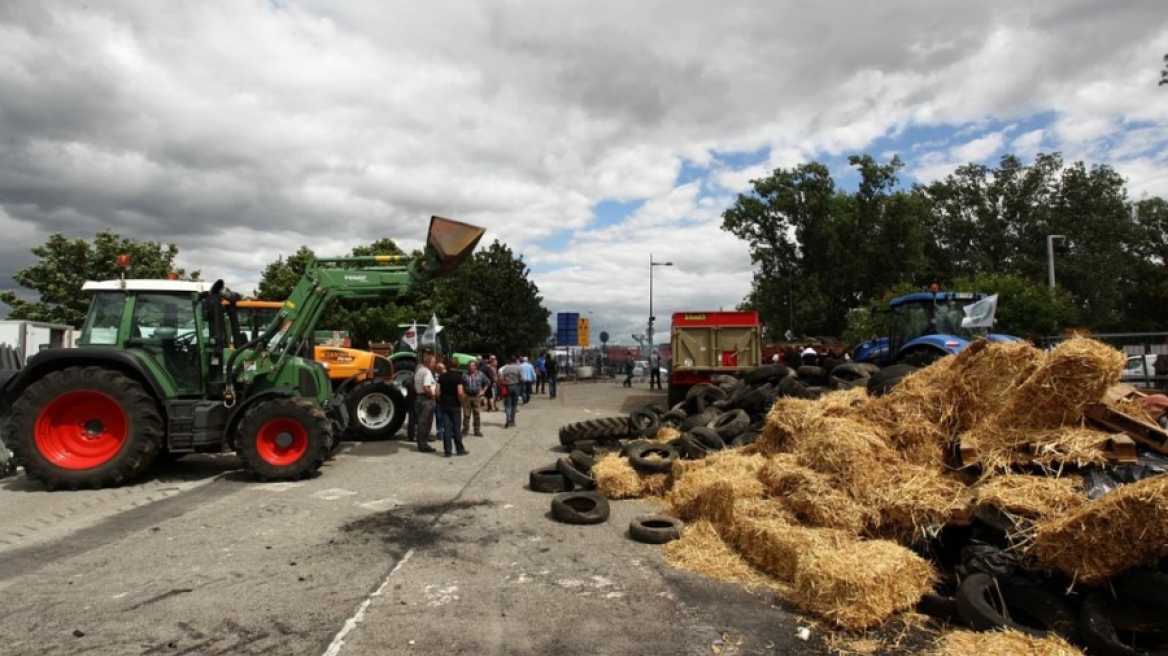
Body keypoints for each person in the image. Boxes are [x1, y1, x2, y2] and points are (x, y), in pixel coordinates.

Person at [437, 358, 469, 457]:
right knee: (456, 427)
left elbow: (437, 392)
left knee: (446, 428)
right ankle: (459, 449)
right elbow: (460, 392)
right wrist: (461, 402)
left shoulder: (442, 376)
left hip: (444, 404)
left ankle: (447, 450)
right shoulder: (458, 377)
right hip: (455, 404)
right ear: (457, 365)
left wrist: (440, 400)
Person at [413, 353, 437, 452]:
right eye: (433, 362)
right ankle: (423, 445)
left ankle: (421, 443)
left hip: (418, 397)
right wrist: (432, 398)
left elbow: (415, 386)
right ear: (428, 362)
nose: (434, 364)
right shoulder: (427, 372)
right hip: (425, 398)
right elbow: (426, 388)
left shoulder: (419, 371)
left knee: (420, 422)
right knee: (425, 423)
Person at [461, 360, 487, 437]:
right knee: (466, 414)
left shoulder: (480, 374)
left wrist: (483, 391)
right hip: (467, 396)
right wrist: (462, 393)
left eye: (473, 365)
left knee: (477, 414)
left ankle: (477, 430)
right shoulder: (464, 374)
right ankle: (465, 430)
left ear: (475, 366)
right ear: (467, 367)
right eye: (470, 365)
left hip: (476, 396)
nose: (471, 367)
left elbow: (487, 382)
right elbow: (460, 384)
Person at [499, 356, 523, 428]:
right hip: (516, 386)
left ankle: (508, 418)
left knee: (507, 404)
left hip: (507, 387)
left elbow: (501, 378)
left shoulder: (506, 368)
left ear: (509, 361)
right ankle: (512, 421)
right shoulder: (518, 368)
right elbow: (521, 378)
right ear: (515, 361)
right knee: (514, 405)